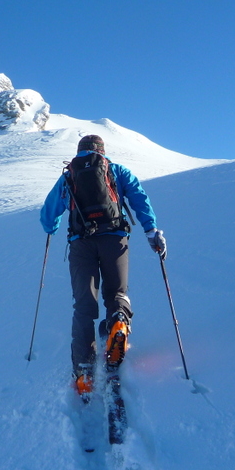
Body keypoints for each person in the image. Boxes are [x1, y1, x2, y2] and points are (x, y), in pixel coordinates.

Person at [40, 134, 167, 397]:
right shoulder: (117, 171)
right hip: (115, 241)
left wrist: (52, 228)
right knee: (116, 293)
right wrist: (151, 231)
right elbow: (140, 200)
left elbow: (48, 215)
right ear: (102, 151)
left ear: (80, 152)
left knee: (84, 305)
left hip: (81, 243)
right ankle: (118, 325)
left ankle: (84, 371)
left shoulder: (68, 176)